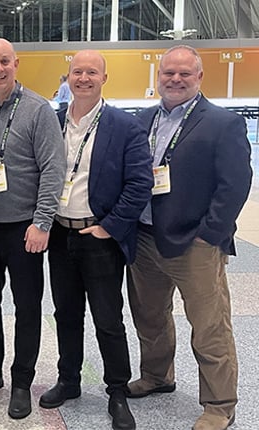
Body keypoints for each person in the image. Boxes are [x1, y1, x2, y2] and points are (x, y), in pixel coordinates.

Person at [127, 45, 251, 430]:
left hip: (194, 243)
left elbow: (235, 185)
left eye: (184, 74)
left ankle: (219, 404)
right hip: (145, 238)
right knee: (149, 315)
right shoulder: (142, 120)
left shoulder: (221, 122)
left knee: (209, 325)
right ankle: (157, 374)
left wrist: (209, 235)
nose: (175, 79)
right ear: (158, 76)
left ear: (199, 78)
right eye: (169, 73)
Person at [39, 50, 152, 430]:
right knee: (65, 314)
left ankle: (117, 391)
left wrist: (110, 226)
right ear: (67, 77)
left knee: (107, 318)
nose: (83, 78)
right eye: (77, 72)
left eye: (91, 72)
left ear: (105, 77)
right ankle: (69, 381)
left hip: (100, 238)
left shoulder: (124, 126)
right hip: (59, 235)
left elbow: (140, 184)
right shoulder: (52, 121)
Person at [0, 38, 65, 419]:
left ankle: (21, 380)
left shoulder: (39, 110)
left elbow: (53, 170)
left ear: (16, 63)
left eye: (5, 61)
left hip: (25, 229)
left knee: (27, 307)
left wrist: (41, 223)